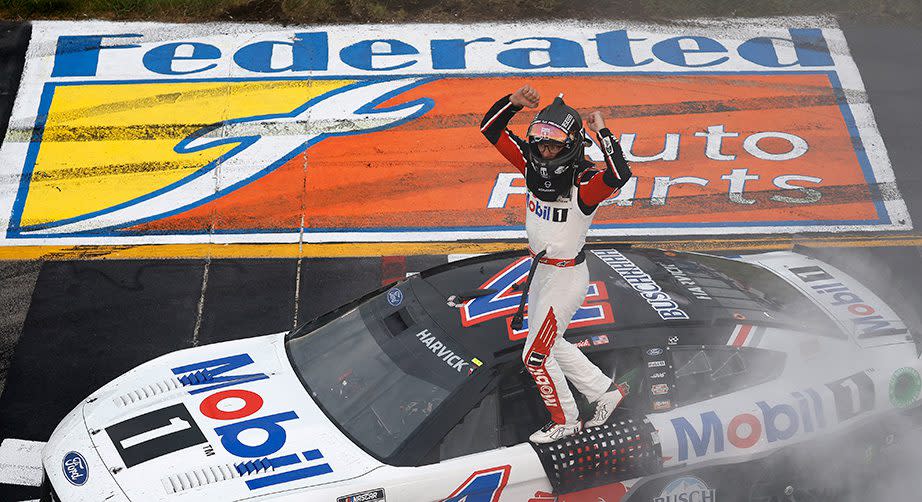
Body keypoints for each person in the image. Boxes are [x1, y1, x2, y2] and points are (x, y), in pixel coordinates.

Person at [480, 85, 633, 443]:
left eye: (555, 145)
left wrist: (604, 133)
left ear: (573, 145)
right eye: (542, 144)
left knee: (535, 356)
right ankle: (604, 392)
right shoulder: (530, 163)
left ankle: (565, 420)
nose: (546, 152)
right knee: (549, 343)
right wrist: (512, 103)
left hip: (566, 278)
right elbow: (490, 130)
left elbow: (618, 176)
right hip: (540, 272)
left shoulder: (583, 183)